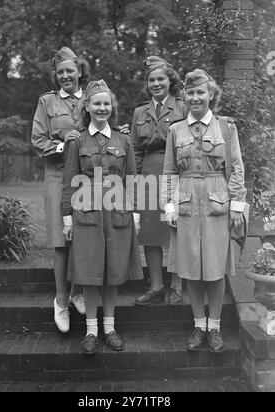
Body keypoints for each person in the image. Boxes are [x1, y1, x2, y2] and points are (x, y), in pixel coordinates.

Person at [162, 69, 246, 353]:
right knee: (190, 269)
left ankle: (215, 326)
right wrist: (169, 206)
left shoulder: (226, 128)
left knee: (215, 269)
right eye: (190, 92)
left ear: (211, 95)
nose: (195, 97)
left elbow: (235, 169)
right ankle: (199, 325)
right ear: (183, 96)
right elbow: (169, 171)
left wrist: (236, 206)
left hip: (216, 204)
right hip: (186, 204)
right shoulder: (175, 130)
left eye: (201, 92)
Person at [61, 79, 143, 355]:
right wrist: (67, 219)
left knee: (113, 271)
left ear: (113, 107)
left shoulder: (123, 140)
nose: (102, 108)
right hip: (86, 210)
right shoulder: (77, 140)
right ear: (87, 106)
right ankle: (91, 330)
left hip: (118, 209)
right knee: (90, 273)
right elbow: (69, 181)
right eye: (97, 103)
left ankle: (109, 328)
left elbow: (132, 178)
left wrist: (136, 213)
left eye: (107, 103)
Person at [32, 47, 88, 334]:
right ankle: (61, 300)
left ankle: (79, 291)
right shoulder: (47, 102)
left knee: (83, 235)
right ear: (56, 75)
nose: (65, 75)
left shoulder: (91, 98)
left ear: (80, 71)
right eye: (60, 72)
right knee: (60, 239)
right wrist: (61, 143)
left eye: (70, 70)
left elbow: (106, 122)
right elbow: (38, 138)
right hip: (56, 174)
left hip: (86, 178)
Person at [131, 56, 187, 306]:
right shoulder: (139, 111)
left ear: (170, 80)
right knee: (151, 231)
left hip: (176, 172)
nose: (156, 83)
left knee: (176, 229)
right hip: (149, 174)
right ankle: (156, 285)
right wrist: (136, 181)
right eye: (151, 80)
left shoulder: (183, 106)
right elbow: (135, 149)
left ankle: (177, 285)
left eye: (160, 79)